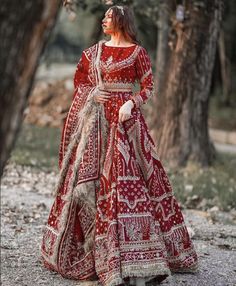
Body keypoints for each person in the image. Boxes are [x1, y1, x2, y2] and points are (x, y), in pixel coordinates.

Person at [41, 5, 198, 286]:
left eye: (109, 16)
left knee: (131, 186)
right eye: (103, 16)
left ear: (122, 20)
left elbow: (148, 87)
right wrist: (93, 94)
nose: (103, 19)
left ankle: (139, 259)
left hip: (127, 125)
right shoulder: (94, 52)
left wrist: (131, 102)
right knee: (90, 186)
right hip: (97, 126)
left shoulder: (138, 53)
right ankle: (96, 253)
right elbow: (80, 82)